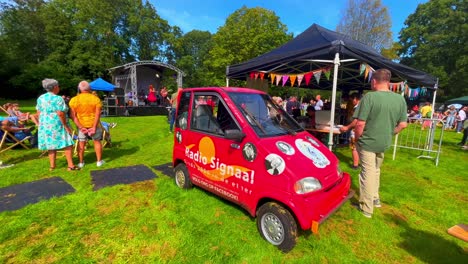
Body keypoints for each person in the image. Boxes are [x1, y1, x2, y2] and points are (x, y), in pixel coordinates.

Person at [353, 69, 407, 218]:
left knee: (367, 173)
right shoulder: (400, 99)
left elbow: (359, 124)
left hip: (368, 142)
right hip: (384, 142)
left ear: (374, 81)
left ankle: (366, 208)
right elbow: (403, 124)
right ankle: (375, 198)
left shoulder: (369, 97)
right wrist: (391, 133)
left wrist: (357, 139)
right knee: (376, 170)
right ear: (388, 82)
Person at [36, 79, 79, 171]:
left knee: (50, 145)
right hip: (56, 124)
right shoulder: (58, 98)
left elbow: (38, 111)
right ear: (55, 87)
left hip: (45, 124)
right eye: (58, 86)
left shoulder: (41, 98)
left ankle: (52, 166)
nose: (59, 87)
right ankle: (71, 165)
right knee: (68, 143)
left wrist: (41, 123)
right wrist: (65, 126)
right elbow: (60, 113)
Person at [69, 80, 105, 168]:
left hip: (81, 124)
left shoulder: (74, 100)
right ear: (89, 89)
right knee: (97, 142)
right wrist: (94, 127)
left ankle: (81, 162)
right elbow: (98, 114)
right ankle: (99, 161)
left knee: (81, 143)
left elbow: (72, 116)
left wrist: (81, 127)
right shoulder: (95, 99)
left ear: (79, 89)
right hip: (94, 124)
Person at [339, 93, 361, 169]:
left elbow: (355, 121)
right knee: (358, 147)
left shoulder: (357, 108)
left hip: (355, 131)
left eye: (352, 100)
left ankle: (355, 165)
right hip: (361, 131)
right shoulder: (363, 107)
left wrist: (347, 127)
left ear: (355, 99)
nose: (352, 102)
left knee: (353, 147)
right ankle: (358, 162)